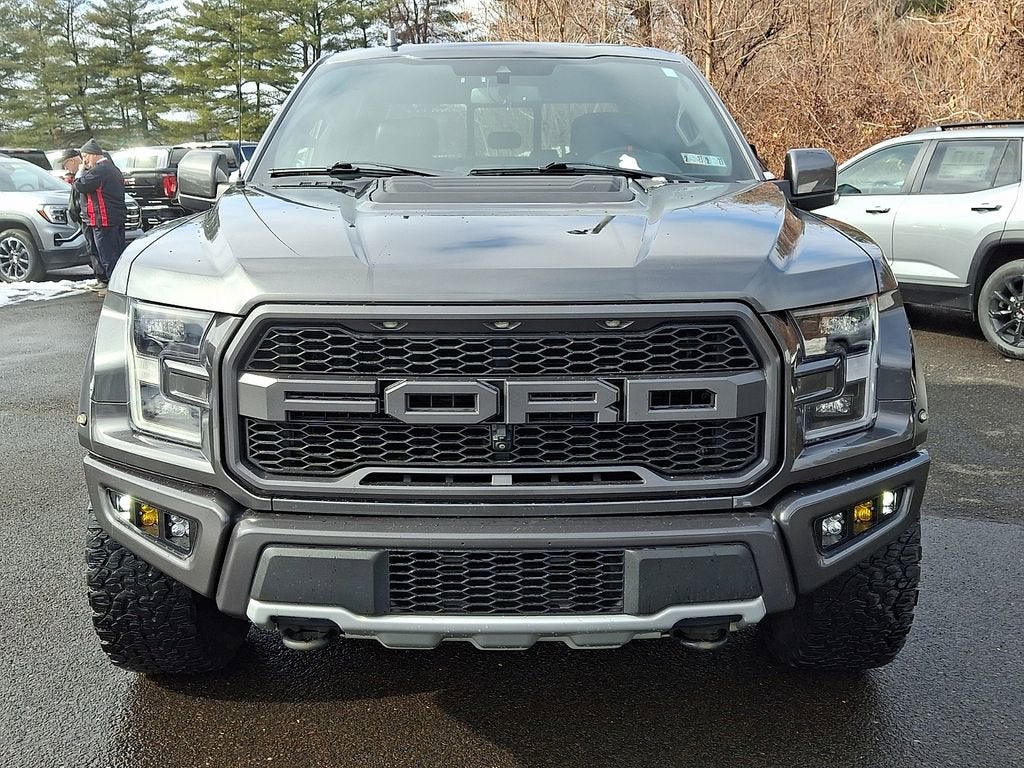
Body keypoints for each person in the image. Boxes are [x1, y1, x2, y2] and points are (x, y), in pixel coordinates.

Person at [73, 138, 126, 296]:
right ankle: (115, 284)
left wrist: (80, 171)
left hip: (103, 219)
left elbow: (80, 185)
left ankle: (114, 288)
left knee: (108, 255)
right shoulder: (113, 169)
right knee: (115, 252)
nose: (84, 161)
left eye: (85, 156)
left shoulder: (100, 170)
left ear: (93, 155)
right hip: (115, 217)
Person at [61, 148, 103, 289]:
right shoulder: (85, 171)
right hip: (87, 217)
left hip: (94, 217)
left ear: (73, 160)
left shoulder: (88, 171)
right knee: (93, 249)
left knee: (102, 250)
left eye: (66, 164)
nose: (66, 168)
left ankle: (105, 280)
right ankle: (100, 277)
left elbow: (82, 189)